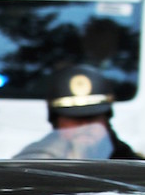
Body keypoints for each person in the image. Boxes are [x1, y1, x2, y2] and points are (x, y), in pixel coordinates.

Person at [14, 64, 143, 160]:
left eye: (92, 118)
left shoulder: (130, 165)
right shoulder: (34, 163)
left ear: (106, 120)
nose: (85, 126)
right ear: (56, 121)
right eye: (74, 119)